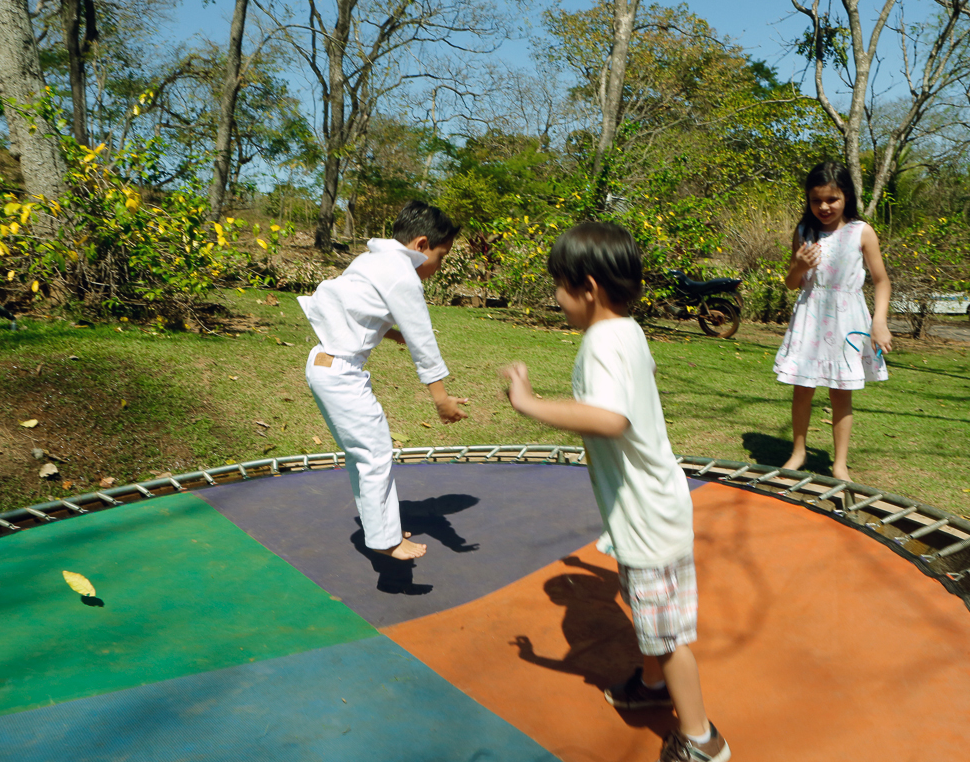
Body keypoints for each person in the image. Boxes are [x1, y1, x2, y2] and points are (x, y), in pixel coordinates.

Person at [501, 222, 730, 762]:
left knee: (668, 636)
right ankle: (652, 688)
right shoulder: (625, 330)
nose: (556, 298)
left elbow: (609, 419)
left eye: (558, 285)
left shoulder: (603, 342)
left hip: (648, 516)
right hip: (649, 507)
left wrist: (529, 403)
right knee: (650, 613)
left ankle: (702, 741)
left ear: (587, 286)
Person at [298, 200, 467, 561]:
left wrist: (391, 335)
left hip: (322, 365)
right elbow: (424, 340)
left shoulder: (370, 260)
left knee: (363, 455)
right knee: (374, 455)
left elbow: (354, 308)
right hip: (341, 375)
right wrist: (440, 397)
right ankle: (386, 540)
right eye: (442, 255)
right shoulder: (403, 275)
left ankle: (380, 527)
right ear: (421, 245)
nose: (440, 265)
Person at [774, 161, 892, 482]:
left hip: (847, 321)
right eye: (816, 200)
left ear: (847, 196)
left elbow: (881, 281)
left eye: (832, 199)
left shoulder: (861, 232)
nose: (824, 207)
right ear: (808, 200)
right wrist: (798, 265)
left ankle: (840, 464)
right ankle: (798, 453)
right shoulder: (804, 232)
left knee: (841, 391)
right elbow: (792, 282)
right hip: (810, 319)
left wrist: (879, 321)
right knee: (803, 388)